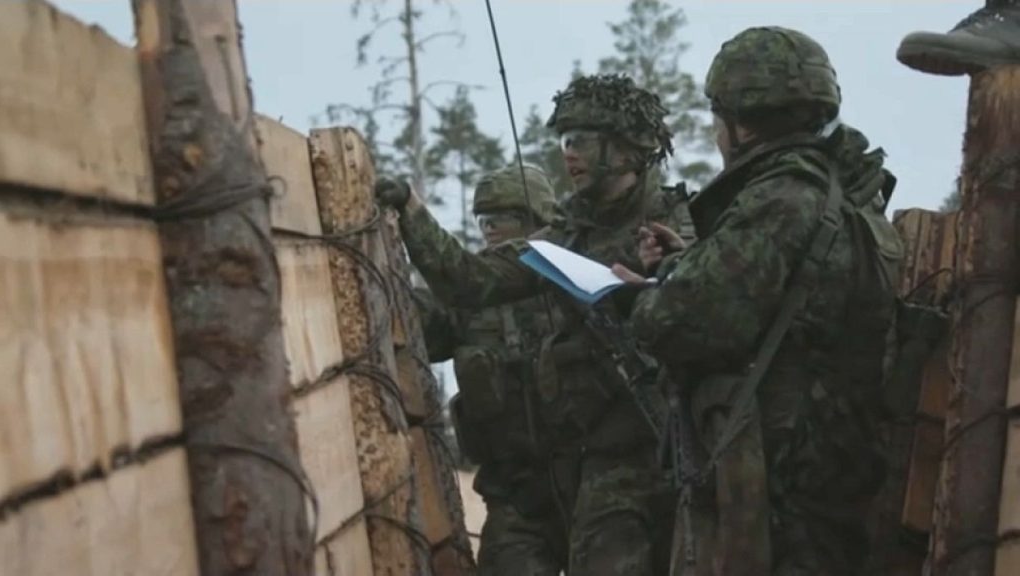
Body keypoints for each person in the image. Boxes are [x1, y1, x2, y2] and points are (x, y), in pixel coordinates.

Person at [613, 27, 903, 575]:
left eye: (718, 117)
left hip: (774, 483)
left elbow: (688, 322)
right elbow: (782, 297)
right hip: (836, 467)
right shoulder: (846, 194)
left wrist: (639, 298)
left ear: (741, 123)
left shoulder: (780, 197)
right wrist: (683, 265)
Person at [378, 74, 692, 575]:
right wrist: (412, 212)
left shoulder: (683, 225)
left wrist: (669, 274)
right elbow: (471, 281)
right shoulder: (565, 238)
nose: (569, 154)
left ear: (629, 148)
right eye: (564, 141)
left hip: (667, 455)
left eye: (581, 140)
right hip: (592, 465)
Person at [414, 164, 567, 575]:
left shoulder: (570, 279)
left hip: (589, 482)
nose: (490, 228)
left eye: (503, 217)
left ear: (535, 221)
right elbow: (421, 330)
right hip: (516, 494)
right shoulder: (467, 297)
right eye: (484, 219)